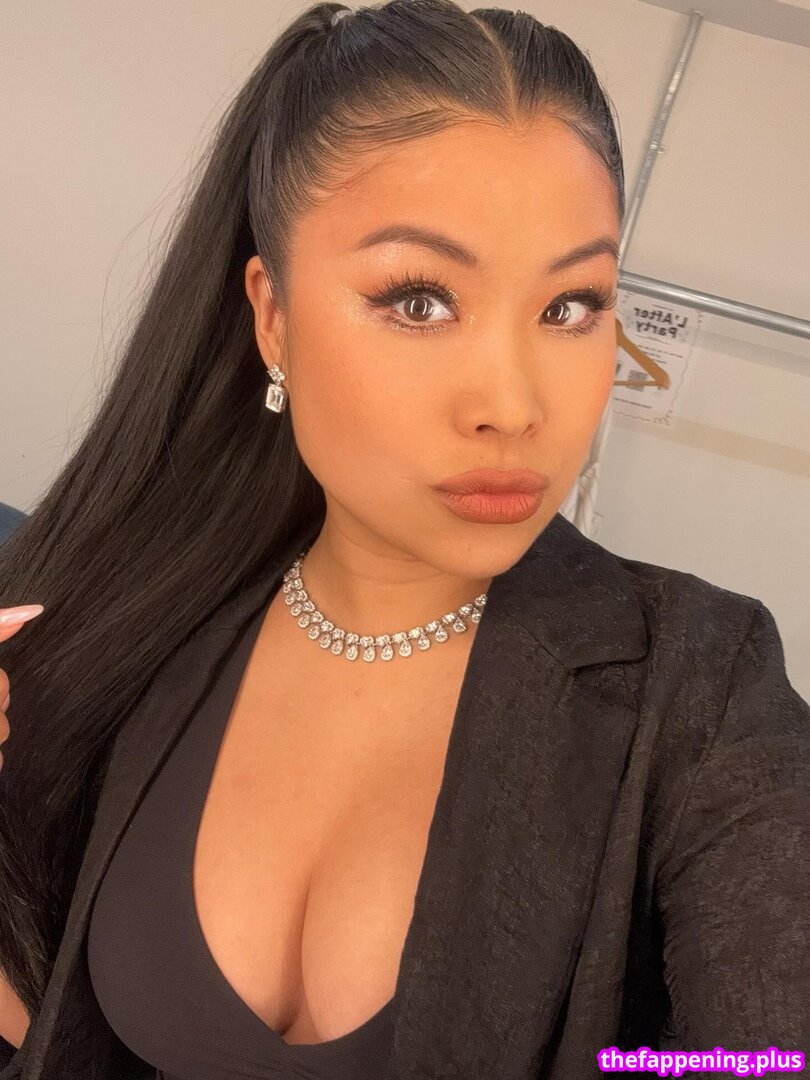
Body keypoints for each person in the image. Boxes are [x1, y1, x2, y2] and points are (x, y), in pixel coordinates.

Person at [0, 0, 808, 1077]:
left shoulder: (703, 685)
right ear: (272, 318)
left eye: (571, 306)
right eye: (420, 301)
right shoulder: (131, 633)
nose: (513, 406)